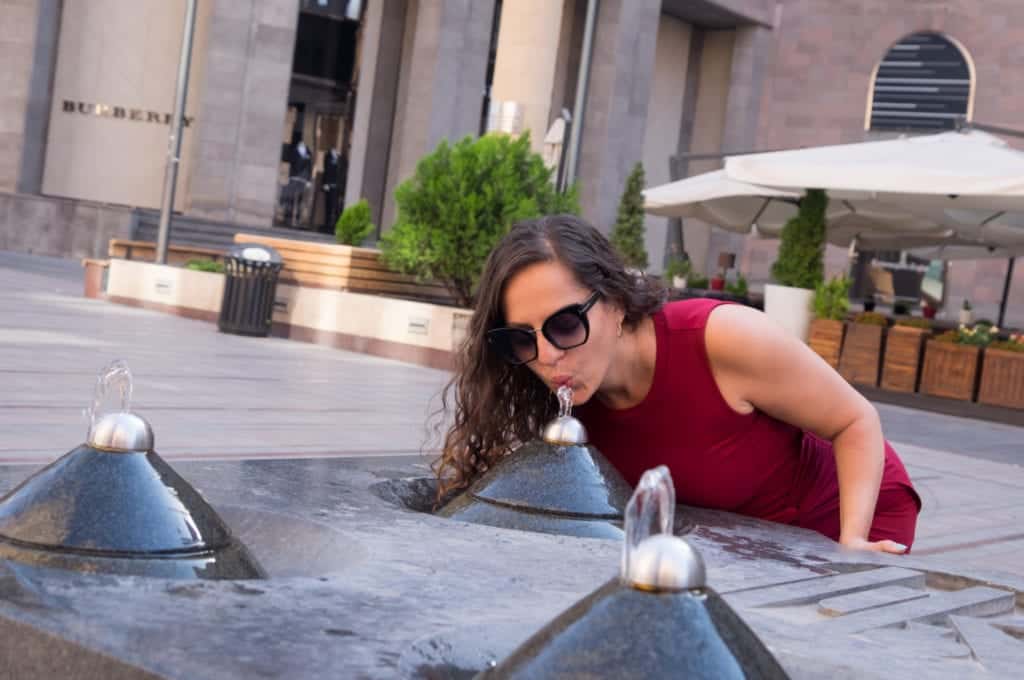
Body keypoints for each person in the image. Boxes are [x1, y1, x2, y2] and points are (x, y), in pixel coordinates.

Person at [434, 214, 920, 552]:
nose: (546, 354)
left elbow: (856, 420)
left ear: (617, 302)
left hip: (843, 513)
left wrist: (850, 543)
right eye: (521, 339)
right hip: (735, 534)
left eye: (564, 324)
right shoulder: (567, 397)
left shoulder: (722, 338)